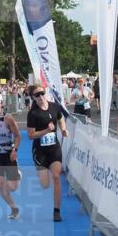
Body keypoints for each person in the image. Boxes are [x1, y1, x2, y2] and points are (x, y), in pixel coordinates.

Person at [26, 85, 68, 222]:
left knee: (56, 177)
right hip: (39, 151)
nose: (40, 96)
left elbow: (61, 119)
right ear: (33, 98)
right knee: (45, 184)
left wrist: (63, 130)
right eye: (37, 95)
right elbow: (31, 135)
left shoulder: (54, 106)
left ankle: (56, 211)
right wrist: (46, 130)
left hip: (54, 148)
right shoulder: (33, 114)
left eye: (42, 93)